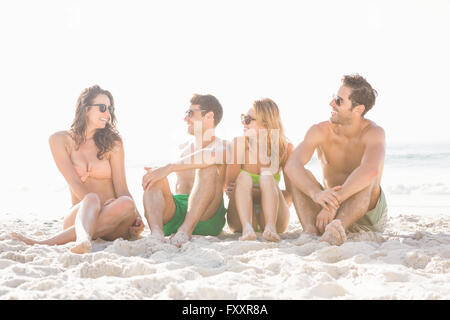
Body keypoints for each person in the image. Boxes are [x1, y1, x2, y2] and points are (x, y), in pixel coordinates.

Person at [11, 85, 144, 253]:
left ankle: (59, 241)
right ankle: (82, 238)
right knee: (91, 198)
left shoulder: (113, 142)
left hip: (115, 218)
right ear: (86, 108)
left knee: (126, 202)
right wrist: (100, 206)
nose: (108, 114)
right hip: (80, 216)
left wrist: (137, 215)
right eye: (102, 108)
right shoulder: (59, 140)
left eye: (110, 109)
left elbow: (122, 188)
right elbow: (73, 182)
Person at [285, 74, 387, 246]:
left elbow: (370, 170)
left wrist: (334, 202)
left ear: (358, 109)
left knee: (368, 179)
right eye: (334, 98)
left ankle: (336, 228)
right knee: (299, 174)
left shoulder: (374, 133)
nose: (331, 103)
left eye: (339, 101)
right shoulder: (319, 131)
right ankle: (311, 231)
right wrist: (317, 194)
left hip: (364, 214)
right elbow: (291, 166)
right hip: (328, 208)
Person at [142, 94, 228, 247]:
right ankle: (156, 233)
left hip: (207, 216)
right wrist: (158, 173)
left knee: (207, 167)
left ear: (209, 117)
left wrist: (169, 167)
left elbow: (211, 156)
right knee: (154, 176)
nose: (185, 119)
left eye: (190, 114)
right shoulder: (182, 148)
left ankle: (185, 231)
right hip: (177, 213)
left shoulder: (223, 145)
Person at [225, 98, 294, 242]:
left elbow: (291, 195)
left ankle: (270, 227)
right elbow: (230, 191)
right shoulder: (239, 145)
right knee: (243, 177)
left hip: (275, 218)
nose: (243, 122)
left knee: (267, 177)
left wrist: (264, 189)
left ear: (266, 124)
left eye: (248, 119)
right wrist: (264, 192)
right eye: (243, 117)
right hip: (242, 218)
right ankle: (247, 229)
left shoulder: (284, 148)